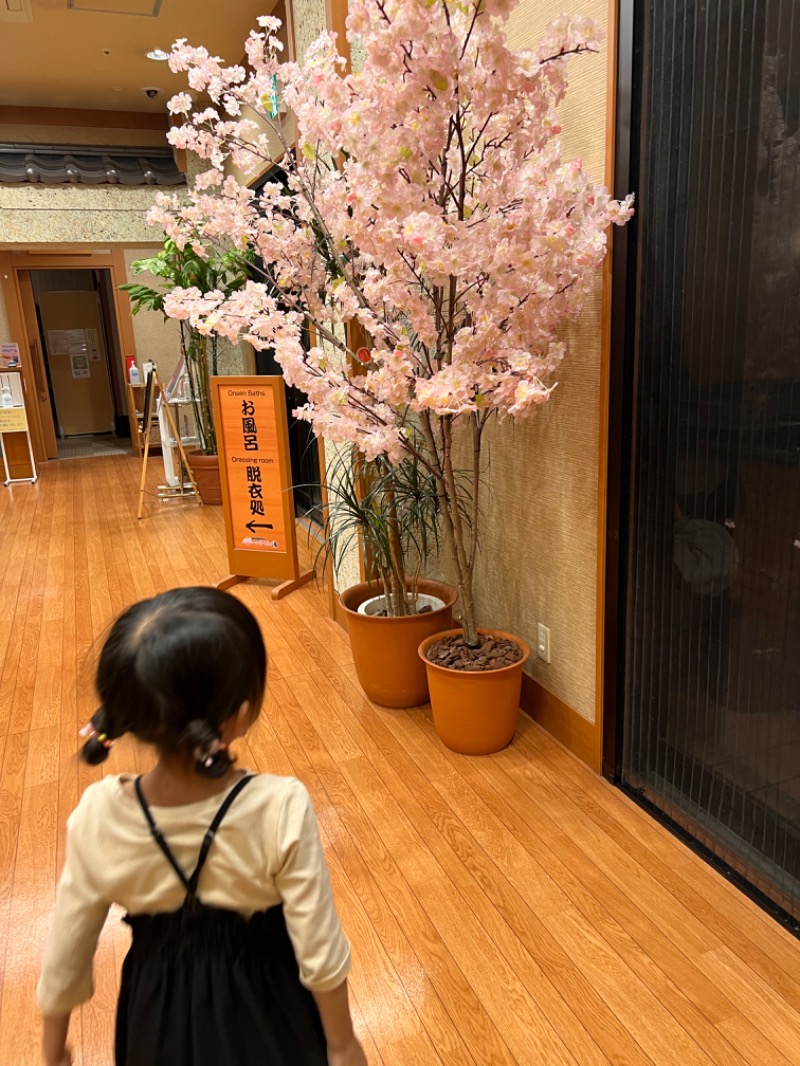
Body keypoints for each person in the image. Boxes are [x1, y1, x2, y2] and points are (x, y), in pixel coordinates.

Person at [37, 587, 367, 1066]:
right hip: (268, 1010)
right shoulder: (278, 807)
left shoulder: (99, 814)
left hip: (155, 1017)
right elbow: (319, 949)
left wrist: (53, 1054)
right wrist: (341, 1045)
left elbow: (68, 949)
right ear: (237, 715)